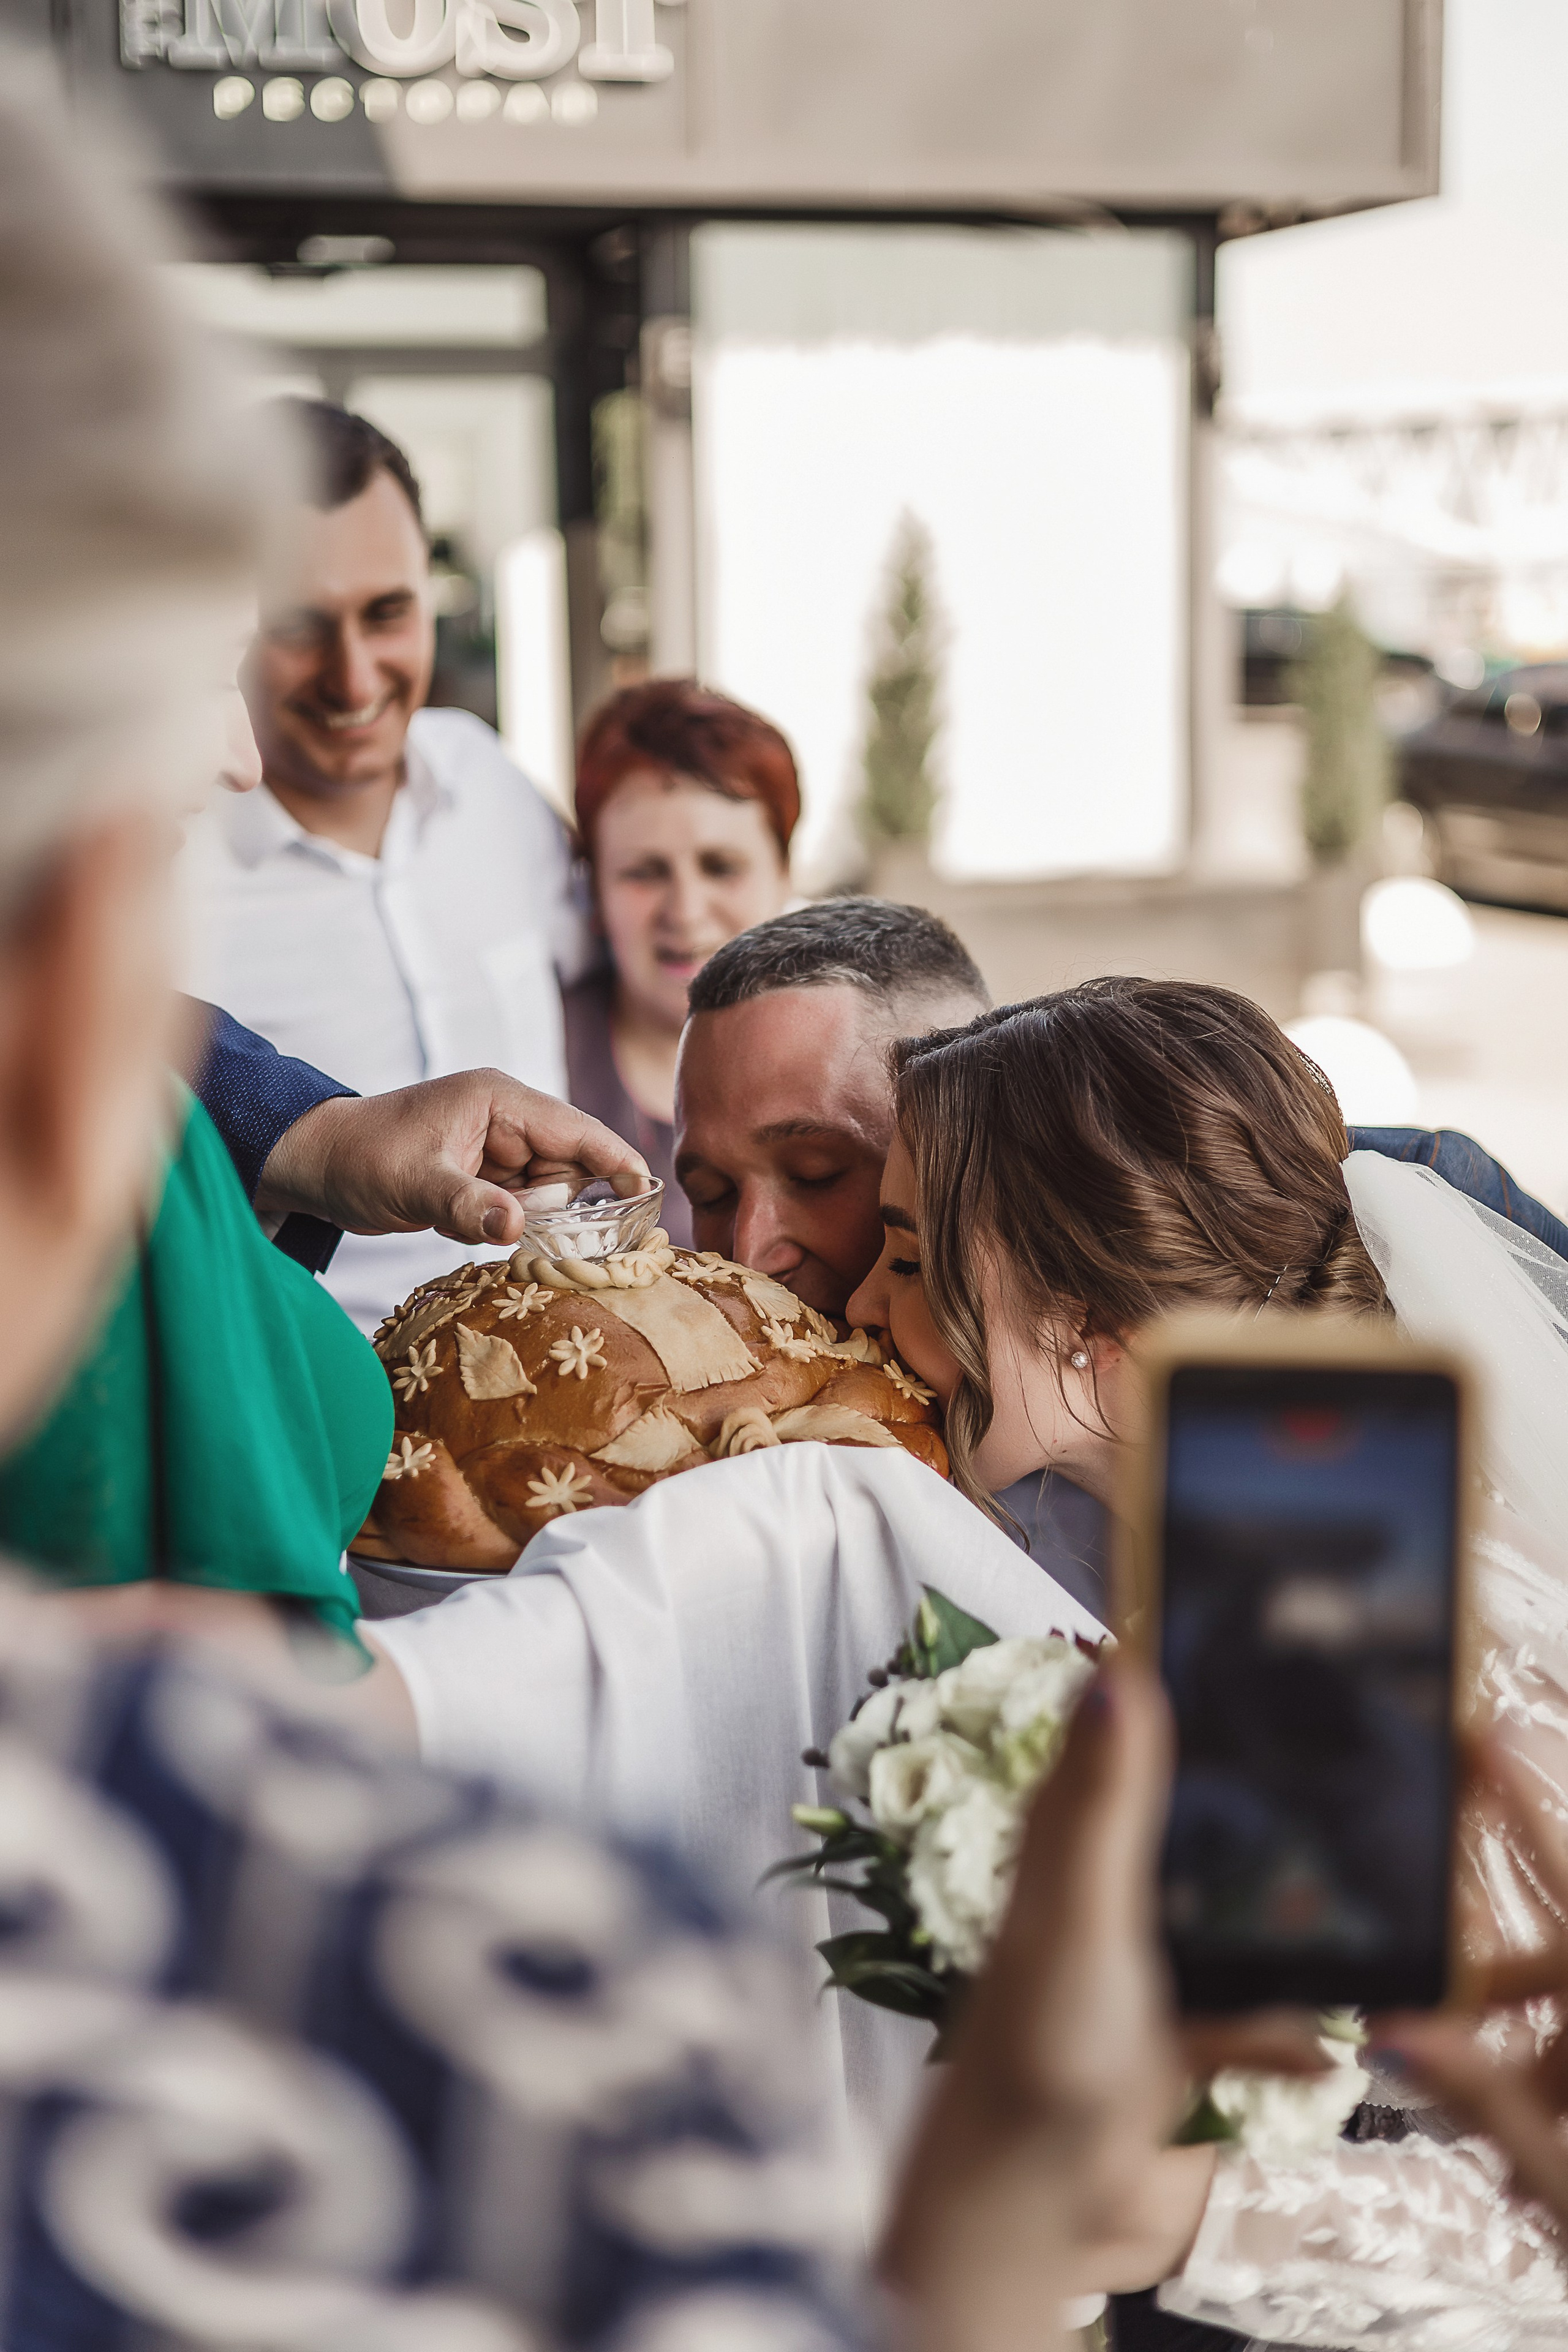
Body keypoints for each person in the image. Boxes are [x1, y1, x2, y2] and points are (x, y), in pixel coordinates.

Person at [0, 51, 891, 2351]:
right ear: (89, 982)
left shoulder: (506, 809)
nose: (325, 691)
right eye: (228, 674)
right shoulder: (431, 2007)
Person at [178, 396, 595, 1333]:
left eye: (388, 612)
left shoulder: (492, 783)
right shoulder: (153, 862)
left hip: (565, 1375)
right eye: (299, 626)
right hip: (326, 1411)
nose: (355, 677)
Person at [563, 677, 799, 1245]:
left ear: (785, 876)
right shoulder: (534, 1050)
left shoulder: (846, 1059)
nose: (686, 912)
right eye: (644, 872)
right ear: (594, 889)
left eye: (720, 866)